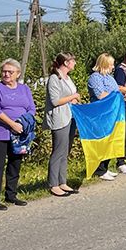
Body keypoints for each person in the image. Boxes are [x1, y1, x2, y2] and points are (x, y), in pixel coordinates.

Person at [0, 58, 33, 211]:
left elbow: (31, 108)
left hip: (19, 134)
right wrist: (12, 124)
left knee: (15, 164)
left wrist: (22, 124)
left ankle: (11, 194)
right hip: (0, 133)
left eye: (10, 72)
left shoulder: (24, 89)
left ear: (17, 74)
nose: (6, 74)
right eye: (4, 71)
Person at [45, 53, 80, 197]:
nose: (75, 63)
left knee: (65, 151)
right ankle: (53, 184)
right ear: (66, 63)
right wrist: (73, 97)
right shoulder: (54, 79)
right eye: (73, 61)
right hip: (59, 118)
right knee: (58, 151)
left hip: (70, 116)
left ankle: (62, 181)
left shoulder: (67, 78)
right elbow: (55, 101)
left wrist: (74, 100)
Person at [87, 53, 123, 179]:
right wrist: (115, 96)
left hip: (111, 113)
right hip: (100, 113)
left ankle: (105, 167)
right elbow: (100, 94)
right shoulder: (95, 78)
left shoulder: (109, 78)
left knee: (110, 140)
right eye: (111, 64)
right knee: (101, 140)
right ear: (105, 64)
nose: (113, 67)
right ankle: (99, 169)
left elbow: (116, 91)